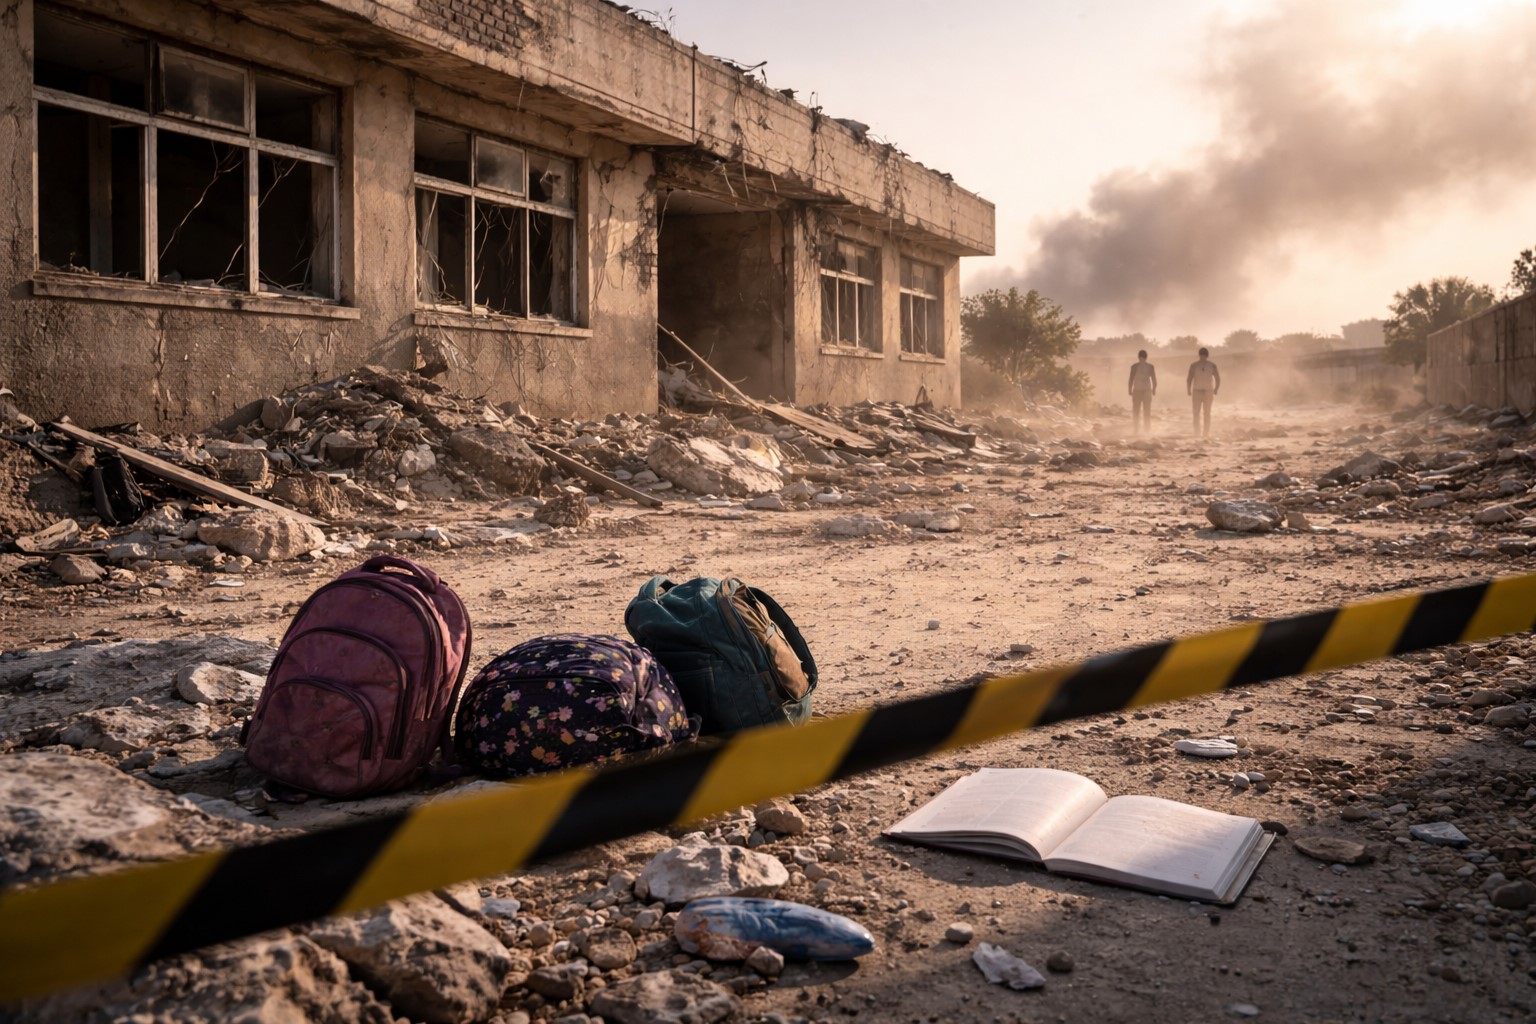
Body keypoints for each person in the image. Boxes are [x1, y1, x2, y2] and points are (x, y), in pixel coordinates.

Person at [1187, 347, 1221, 438]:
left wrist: (1188, 390)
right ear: (1207, 355)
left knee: (1199, 414)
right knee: (1204, 413)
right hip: (1203, 391)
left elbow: (1189, 379)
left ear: (1200, 355)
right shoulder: (1210, 365)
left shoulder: (1194, 365)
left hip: (1204, 391)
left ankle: (1201, 434)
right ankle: (1202, 434)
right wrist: (1216, 389)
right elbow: (1217, 379)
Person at [1127, 350, 1157, 433]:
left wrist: (1130, 389)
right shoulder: (1149, 366)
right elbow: (1154, 379)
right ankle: (1143, 430)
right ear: (1146, 357)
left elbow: (1131, 379)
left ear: (1139, 357)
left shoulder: (1135, 366)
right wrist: (1154, 389)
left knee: (1138, 411)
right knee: (1144, 411)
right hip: (1144, 391)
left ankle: (1140, 430)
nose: (1141, 360)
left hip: (1140, 391)